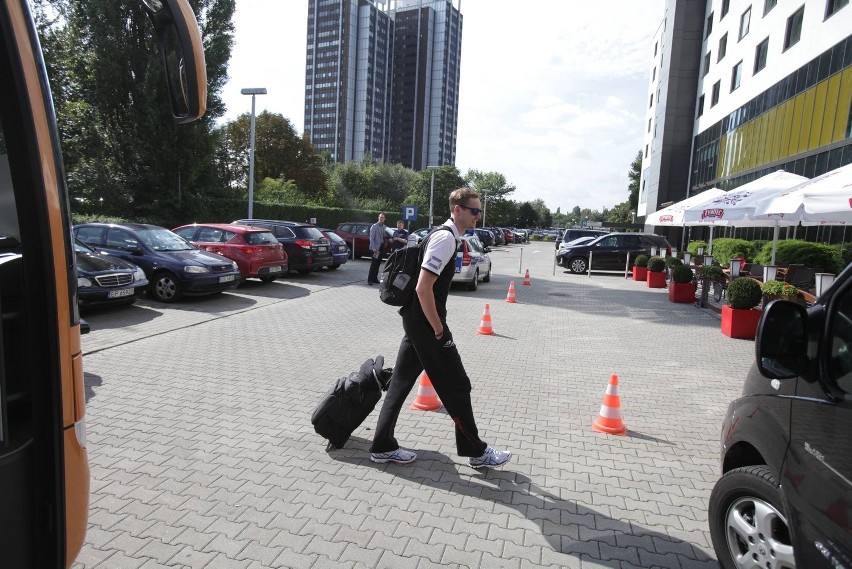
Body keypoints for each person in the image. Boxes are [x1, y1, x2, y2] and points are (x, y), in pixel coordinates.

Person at [369, 187, 512, 469]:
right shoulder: (445, 240)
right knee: (457, 385)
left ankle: (382, 445)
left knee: (400, 383)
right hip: (426, 324)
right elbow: (424, 288)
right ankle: (477, 452)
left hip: (417, 320)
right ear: (457, 210)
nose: (478, 216)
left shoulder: (445, 236)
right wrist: (438, 330)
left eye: (479, 211)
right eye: (474, 211)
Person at [367, 213, 386, 285]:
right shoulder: (374, 226)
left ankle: (375, 279)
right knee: (373, 264)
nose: (381, 218)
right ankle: (370, 280)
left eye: (383, 217)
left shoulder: (384, 226)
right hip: (375, 248)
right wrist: (374, 248)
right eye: (380, 217)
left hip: (381, 247)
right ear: (378, 218)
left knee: (378, 264)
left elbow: (385, 236)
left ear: (384, 219)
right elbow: (371, 238)